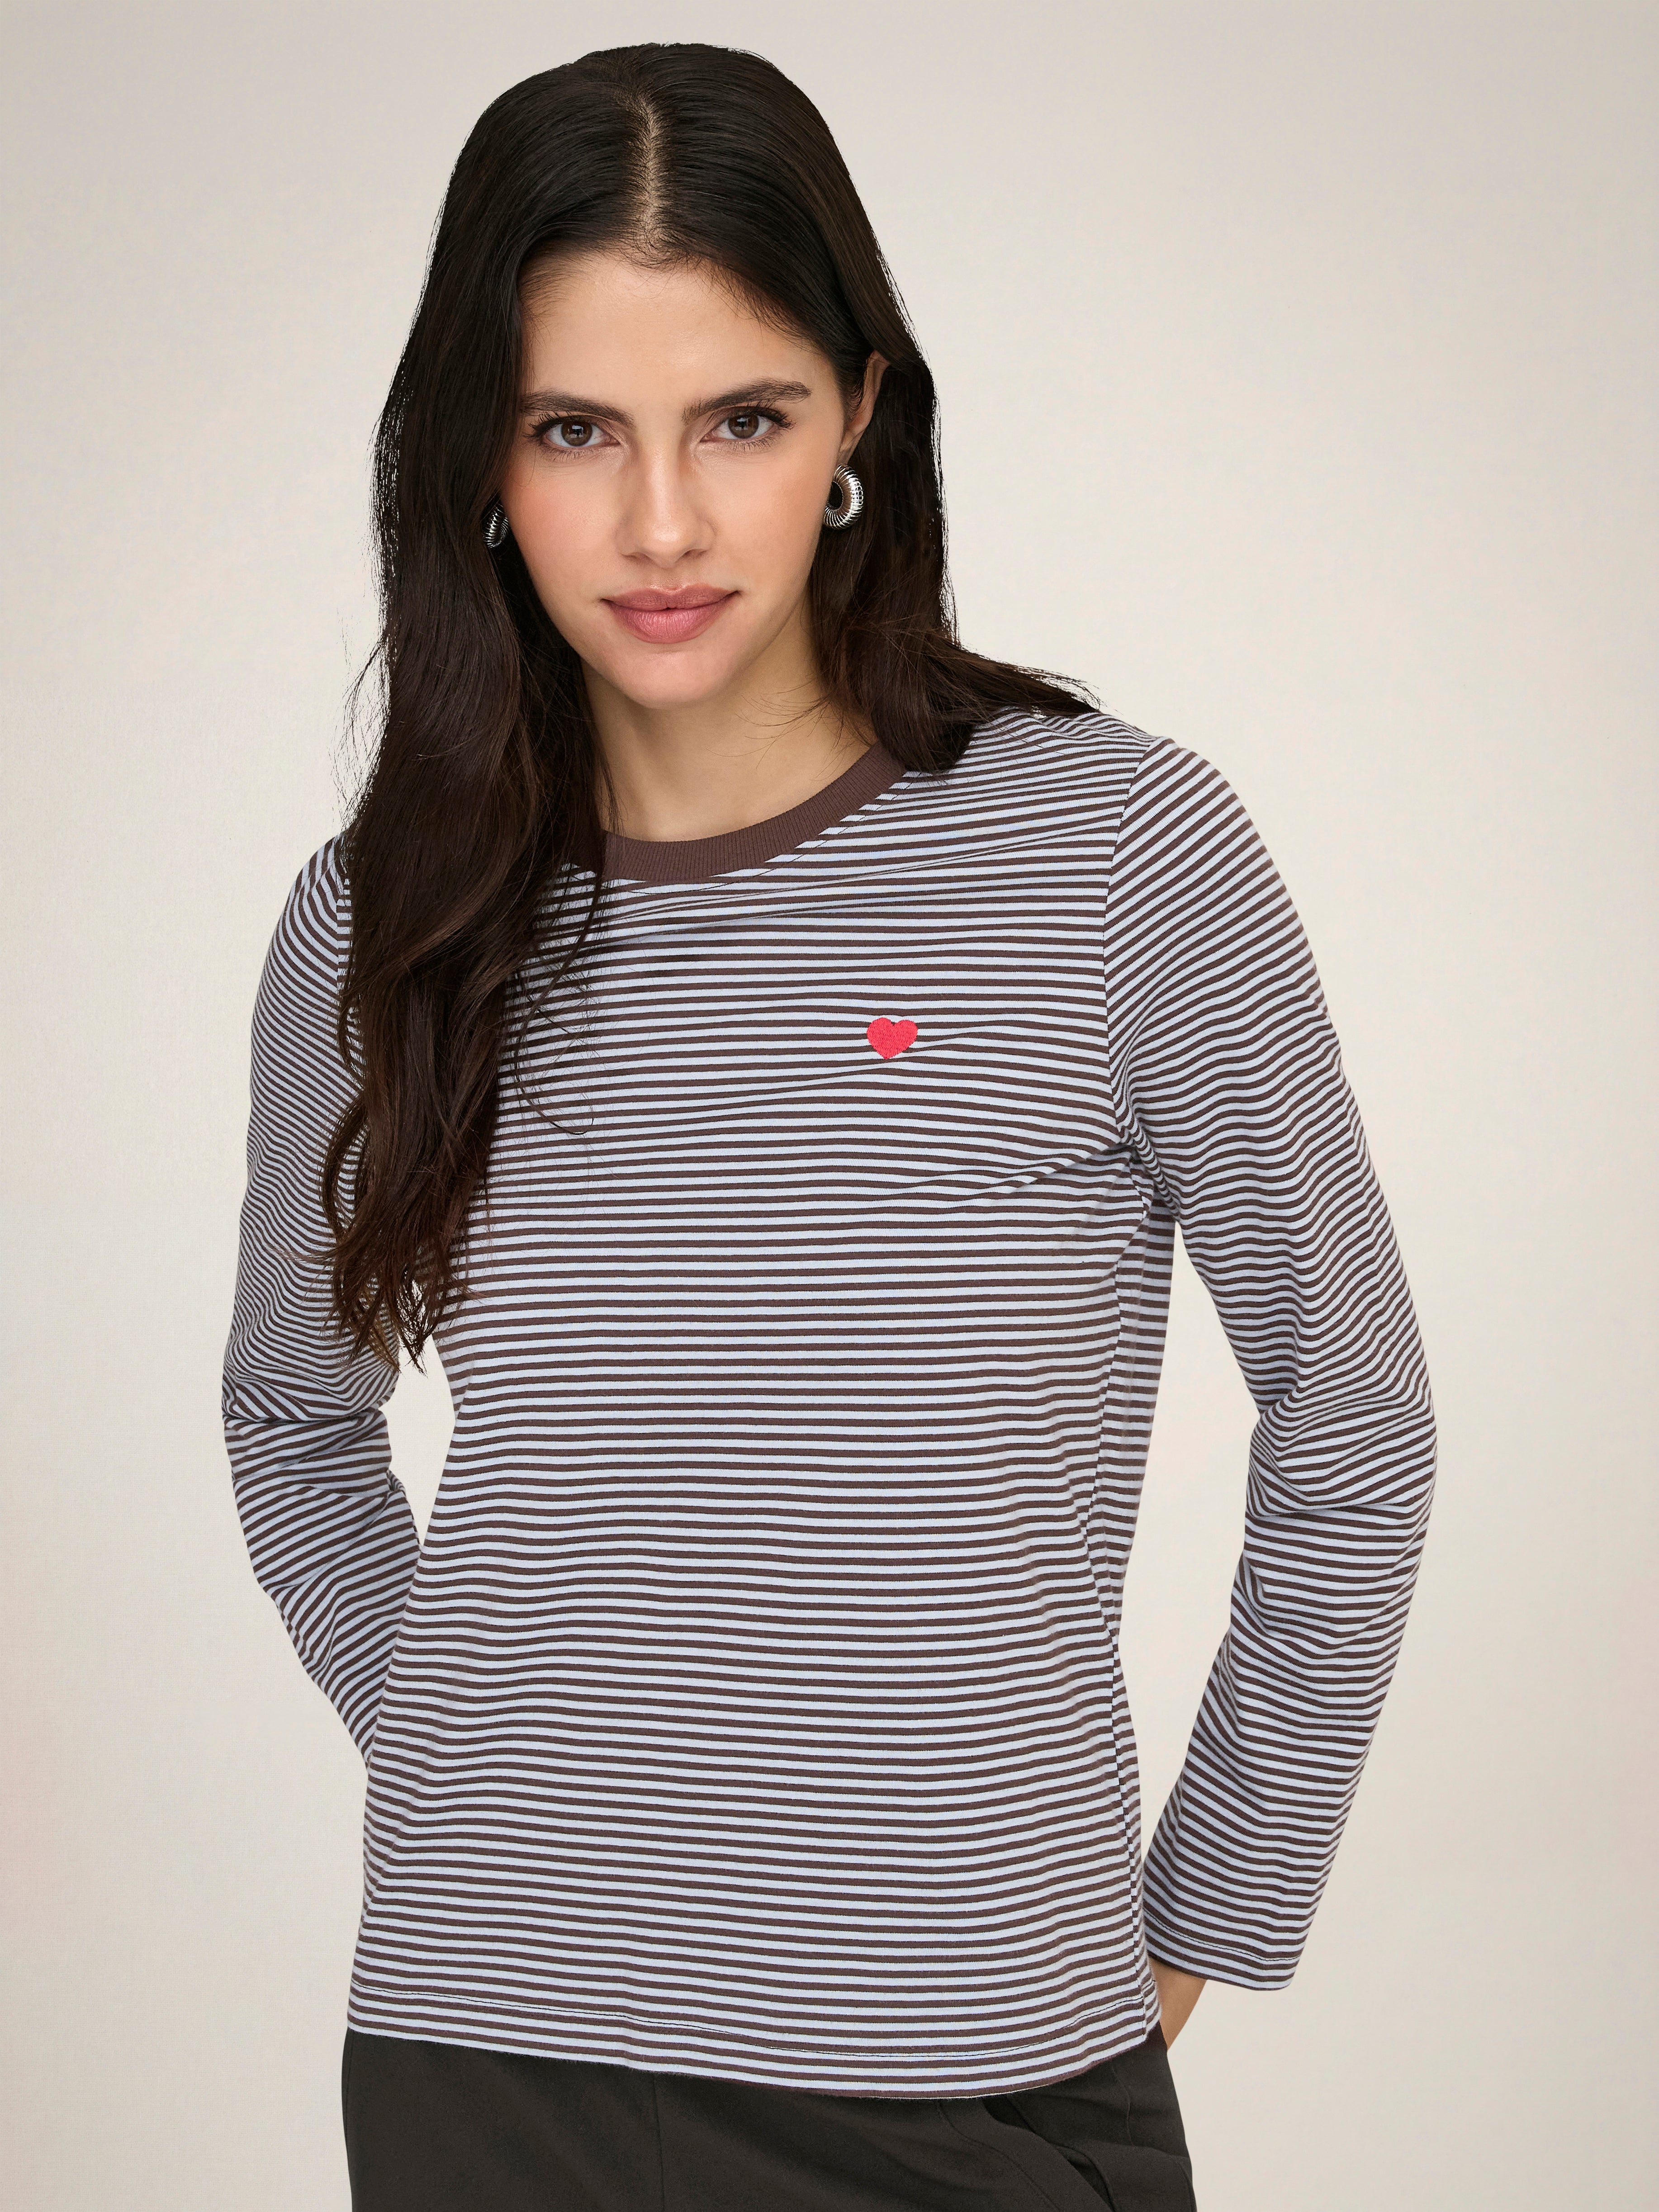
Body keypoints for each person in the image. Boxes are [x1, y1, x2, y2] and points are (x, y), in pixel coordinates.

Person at [223, 42, 1436, 2212]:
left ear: (858, 417)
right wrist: (483, 1775)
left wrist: (1199, 1908)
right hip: (490, 2063)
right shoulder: (381, 917)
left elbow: (1352, 1416)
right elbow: (292, 1420)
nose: (661, 522)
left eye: (742, 420)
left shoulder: (1113, 855)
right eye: (573, 427)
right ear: (477, 454)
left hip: (968, 2055)